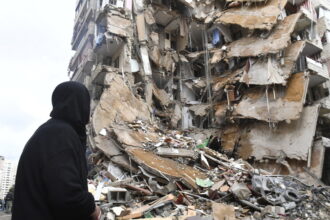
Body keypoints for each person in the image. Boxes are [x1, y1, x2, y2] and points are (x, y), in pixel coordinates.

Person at [12, 82, 101, 220]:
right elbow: (67, 195)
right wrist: (92, 208)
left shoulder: (54, 132)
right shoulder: (60, 135)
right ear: (80, 105)